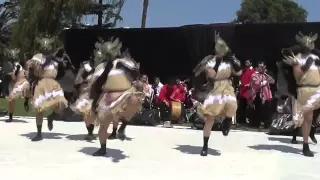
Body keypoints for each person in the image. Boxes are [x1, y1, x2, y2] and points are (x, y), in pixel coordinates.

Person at [90, 38, 144, 156]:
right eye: (107, 54)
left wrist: (125, 67)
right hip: (106, 97)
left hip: (125, 93)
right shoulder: (101, 67)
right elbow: (96, 85)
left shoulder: (124, 63)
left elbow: (136, 74)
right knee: (103, 125)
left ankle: (123, 124)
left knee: (134, 100)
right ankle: (102, 148)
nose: (110, 56)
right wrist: (94, 101)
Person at [193, 32, 242, 156]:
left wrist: (233, 60)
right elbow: (212, 76)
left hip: (227, 86)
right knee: (210, 118)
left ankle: (227, 120)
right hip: (215, 88)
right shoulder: (210, 61)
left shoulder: (230, 60)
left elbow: (239, 73)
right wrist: (218, 63)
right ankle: (205, 146)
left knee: (232, 104)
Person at [281, 31, 320, 157]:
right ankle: (305, 144)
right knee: (307, 118)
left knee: (311, 117)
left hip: (317, 89)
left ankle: (309, 134)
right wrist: (304, 67)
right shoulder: (296, 59)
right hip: (305, 90)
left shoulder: (317, 58)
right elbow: (298, 78)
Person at [24, 34, 69, 141]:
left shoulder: (56, 58)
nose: (45, 48)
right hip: (41, 83)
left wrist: (63, 61)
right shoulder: (37, 57)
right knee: (39, 108)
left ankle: (51, 117)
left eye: (47, 46)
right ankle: (39, 133)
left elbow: (63, 70)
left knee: (62, 104)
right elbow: (33, 67)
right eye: (44, 47)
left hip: (53, 83)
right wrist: (49, 58)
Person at [70, 38, 106, 141]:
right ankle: (90, 132)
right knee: (87, 113)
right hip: (86, 93)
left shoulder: (105, 67)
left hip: (100, 93)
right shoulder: (86, 66)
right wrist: (84, 79)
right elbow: (77, 80)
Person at [3, 48, 30, 122]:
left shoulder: (16, 66)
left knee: (11, 99)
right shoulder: (12, 65)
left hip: (20, 82)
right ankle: (26, 101)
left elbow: (14, 77)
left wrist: (9, 75)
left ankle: (26, 101)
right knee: (11, 100)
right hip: (16, 83)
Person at [248, 62, 275, 128]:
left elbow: (273, 81)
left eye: (263, 67)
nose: (262, 68)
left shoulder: (265, 75)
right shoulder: (254, 75)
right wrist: (265, 82)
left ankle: (267, 124)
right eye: (260, 67)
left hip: (266, 95)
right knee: (257, 110)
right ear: (257, 68)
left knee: (267, 110)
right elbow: (257, 84)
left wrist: (267, 76)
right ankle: (256, 123)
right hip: (257, 94)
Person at [238, 59, 254, 124]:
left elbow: (253, 80)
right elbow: (241, 78)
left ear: (251, 63)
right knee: (242, 106)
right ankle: (241, 120)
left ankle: (250, 120)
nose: (246, 63)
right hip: (242, 90)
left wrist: (248, 85)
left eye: (247, 62)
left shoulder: (253, 71)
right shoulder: (244, 70)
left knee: (249, 106)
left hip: (249, 91)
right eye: (245, 62)